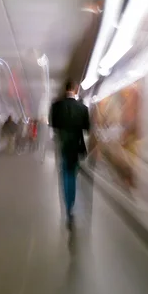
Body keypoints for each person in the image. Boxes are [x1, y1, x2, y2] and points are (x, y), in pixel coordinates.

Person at [50, 80, 90, 229]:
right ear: (76, 89)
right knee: (72, 174)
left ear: (65, 89)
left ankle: (69, 206)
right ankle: (70, 204)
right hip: (77, 147)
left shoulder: (56, 107)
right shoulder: (83, 108)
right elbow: (87, 128)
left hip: (63, 146)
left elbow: (53, 125)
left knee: (66, 174)